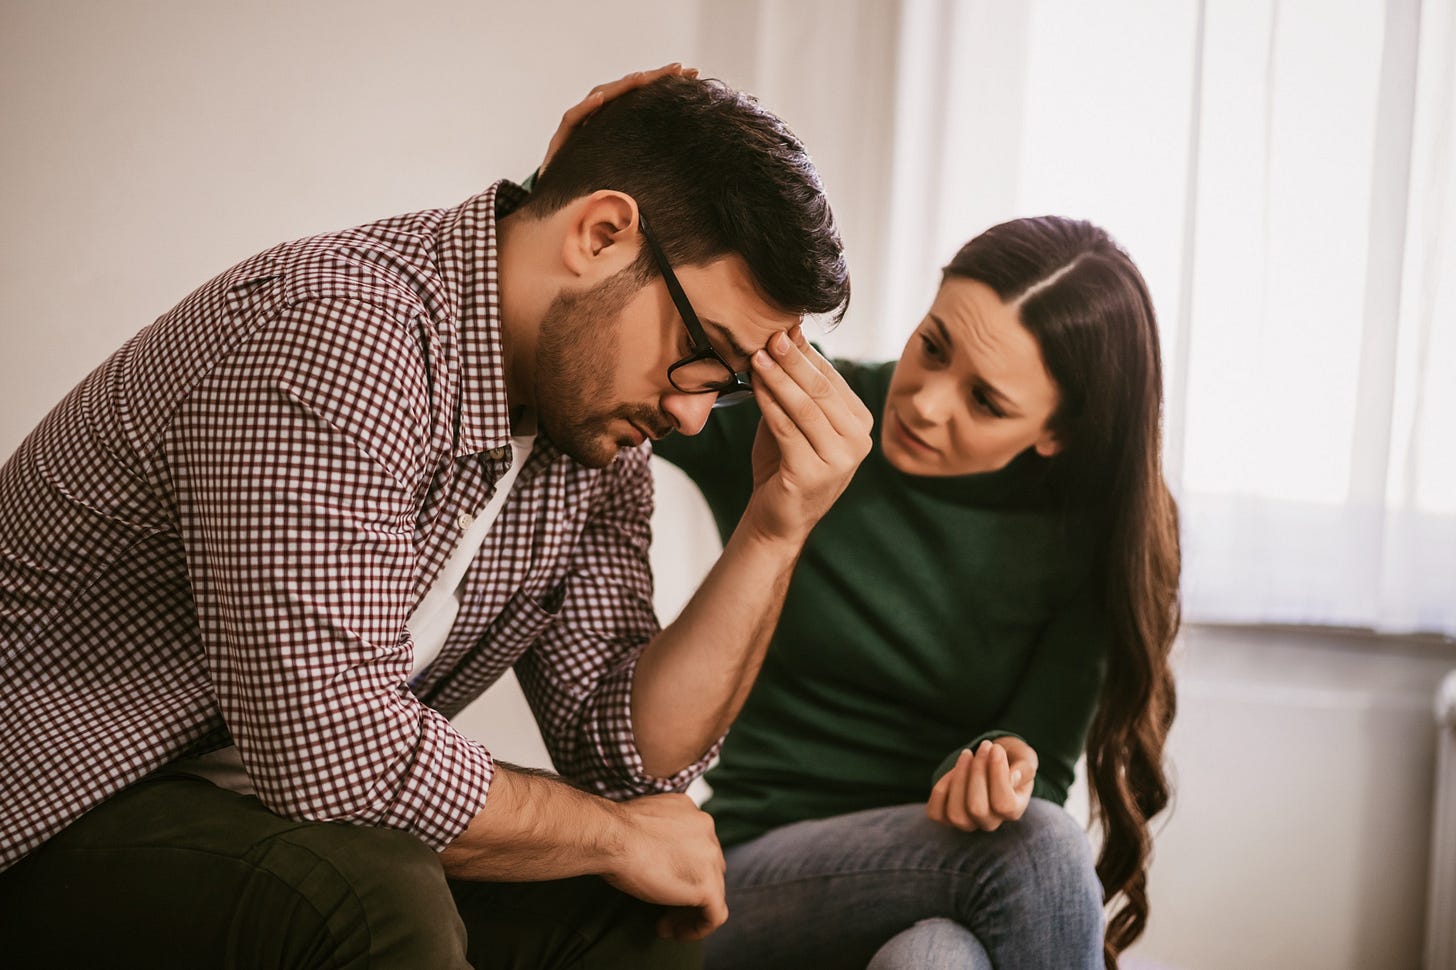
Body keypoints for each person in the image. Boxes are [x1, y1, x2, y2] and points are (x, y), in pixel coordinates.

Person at [0, 67, 874, 968]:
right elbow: (329, 753)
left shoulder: (593, 438)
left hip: (245, 829)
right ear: (602, 234)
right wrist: (618, 836)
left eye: (724, 390)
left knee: (631, 908)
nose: (693, 415)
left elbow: (630, 760)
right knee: (369, 886)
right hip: (52, 816)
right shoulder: (343, 332)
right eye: (702, 355)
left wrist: (775, 527)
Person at [653, 215, 1181, 970]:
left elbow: (1042, 765)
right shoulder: (811, 416)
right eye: (932, 347)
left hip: (940, 879)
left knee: (936, 960)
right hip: (748, 879)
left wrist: (989, 774)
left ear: (1056, 434)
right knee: (1040, 849)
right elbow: (609, 343)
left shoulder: (1092, 538)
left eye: (986, 402)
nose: (927, 403)